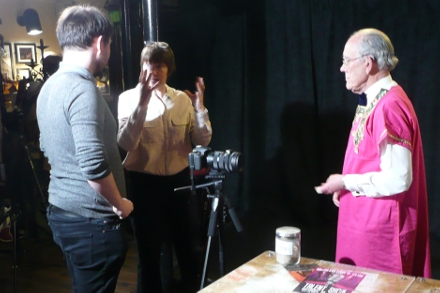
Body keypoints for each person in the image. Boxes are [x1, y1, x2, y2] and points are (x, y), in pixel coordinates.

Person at [315, 28, 431, 277]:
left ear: (368, 63)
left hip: (381, 236)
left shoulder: (390, 105)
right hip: (363, 228)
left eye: (346, 61)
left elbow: (399, 178)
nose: (342, 69)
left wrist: (346, 180)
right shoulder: (375, 100)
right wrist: (347, 187)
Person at [36, 5, 134, 292]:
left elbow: (47, 146)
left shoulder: (49, 87)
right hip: (92, 222)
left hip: (63, 213)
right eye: (111, 45)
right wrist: (120, 205)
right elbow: (93, 164)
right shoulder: (82, 89)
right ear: (100, 42)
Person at [117, 41, 212, 292]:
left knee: (187, 251)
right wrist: (143, 103)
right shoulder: (127, 99)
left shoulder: (181, 99)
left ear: (169, 69)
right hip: (144, 187)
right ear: (142, 68)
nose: (154, 72)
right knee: (148, 258)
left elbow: (202, 140)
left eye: (160, 66)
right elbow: (125, 142)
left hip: (179, 183)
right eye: (149, 65)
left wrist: (199, 108)